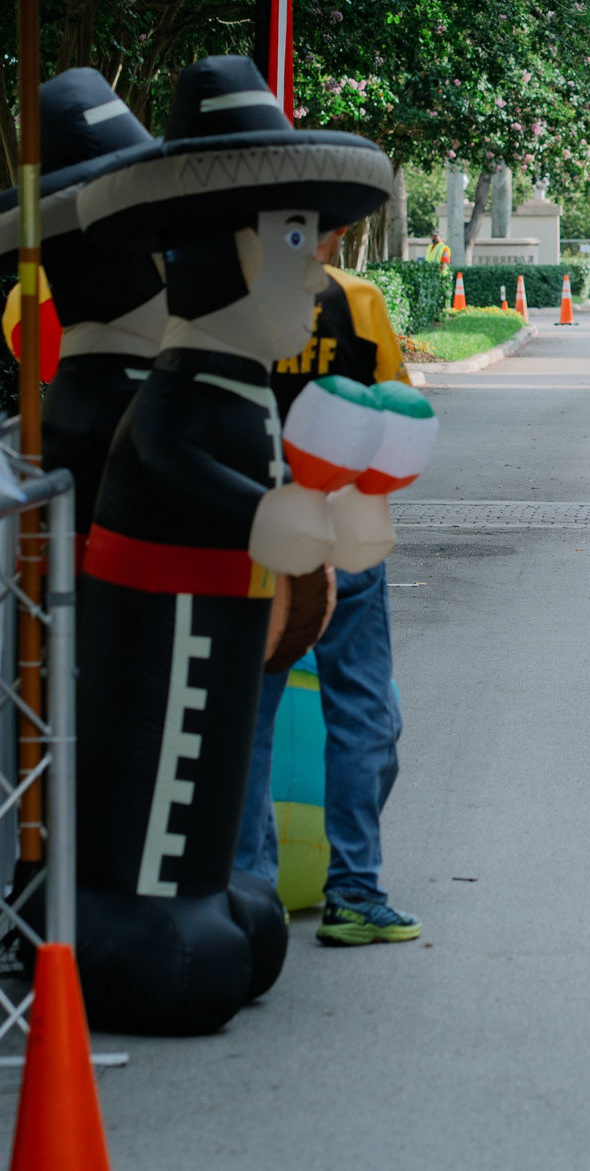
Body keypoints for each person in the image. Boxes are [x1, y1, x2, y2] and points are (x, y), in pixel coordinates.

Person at [236, 222, 422, 947]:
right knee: (360, 706)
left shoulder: (224, 301)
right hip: (345, 528)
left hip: (250, 522)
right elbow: (396, 413)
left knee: (250, 715)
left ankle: (249, 893)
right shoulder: (357, 298)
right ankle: (354, 891)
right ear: (336, 230)